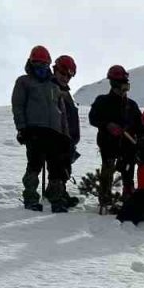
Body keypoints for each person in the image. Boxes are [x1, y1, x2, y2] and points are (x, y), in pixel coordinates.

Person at [11, 45, 70, 213]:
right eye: (38, 65)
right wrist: (22, 128)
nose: (42, 69)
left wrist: (64, 134)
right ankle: (30, 197)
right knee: (35, 164)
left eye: (44, 66)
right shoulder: (24, 82)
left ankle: (56, 199)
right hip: (34, 130)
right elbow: (18, 106)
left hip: (54, 132)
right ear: (31, 64)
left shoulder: (53, 86)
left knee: (56, 167)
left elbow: (61, 111)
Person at [88, 65, 142, 212]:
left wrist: (140, 141)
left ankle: (128, 197)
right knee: (107, 170)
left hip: (128, 146)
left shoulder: (132, 105)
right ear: (113, 84)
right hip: (108, 144)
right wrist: (107, 125)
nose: (123, 88)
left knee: (128, 172)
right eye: (120, 84)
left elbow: (140, 126)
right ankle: (105, 197)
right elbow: (93, 118)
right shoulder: (102, 101)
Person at [52, 54, 80, 208]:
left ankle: (61, 192)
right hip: (55, 135)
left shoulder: (66, 92)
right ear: (55, 70)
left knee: (65, 166)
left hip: (67, 136)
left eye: (69, 76)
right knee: (57, 166)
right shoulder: (49, 88)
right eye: (63, 74)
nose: (65, 78)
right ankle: (56, 196)